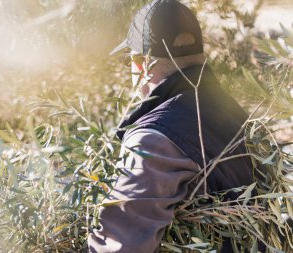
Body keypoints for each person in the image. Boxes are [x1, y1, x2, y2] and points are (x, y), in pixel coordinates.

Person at [88, 0, 255, 252]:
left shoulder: (153, 141)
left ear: (142, 64)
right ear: (199, 56)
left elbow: (121, 245)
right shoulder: (233, 112)